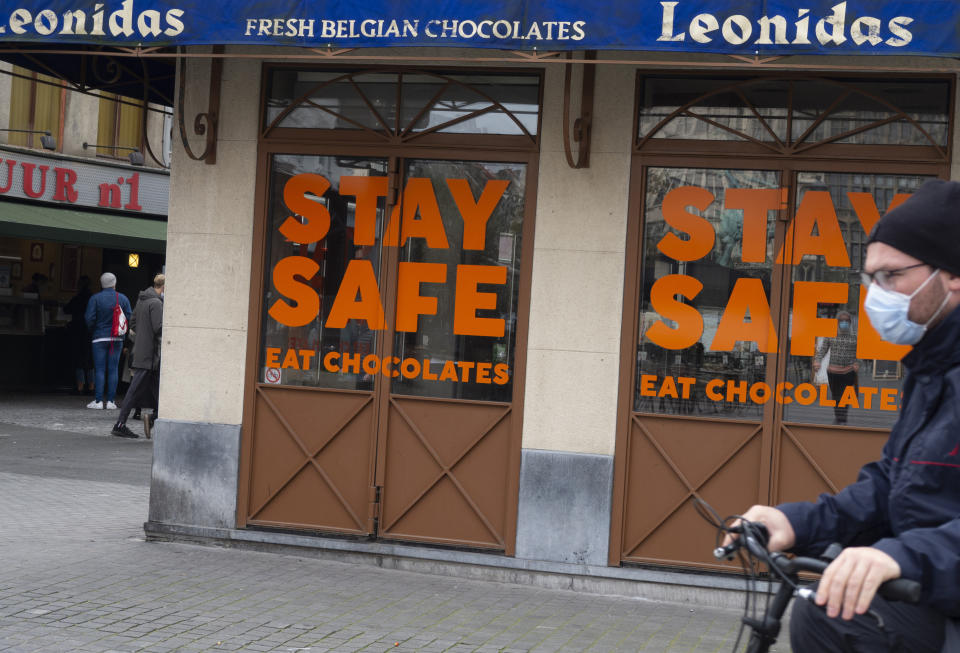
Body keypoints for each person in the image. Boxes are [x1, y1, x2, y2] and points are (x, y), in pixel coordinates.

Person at [725, 179, 960, 653]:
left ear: (952, 274)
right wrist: (798, 522)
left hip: (939, 599)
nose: (876, 294)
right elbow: (891, 483)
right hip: (932, 593)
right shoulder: (932, 366)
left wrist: (901, 556)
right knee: (826, 602)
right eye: (871, 277)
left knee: (837, 616)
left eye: (892, 275)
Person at [112, 274, 163, 439]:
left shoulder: (142, 300)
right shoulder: (156, 303)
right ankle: (120, 424)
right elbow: (159, 328)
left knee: (159, 392)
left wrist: (143, 336)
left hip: (141, 351)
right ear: (163, 287)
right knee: (134, 390)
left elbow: (132, 323)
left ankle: (154, 417)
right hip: (150, 354)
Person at [84, 272, 132, 410]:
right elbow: (129, 316)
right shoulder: (122, 298)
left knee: (99, 369)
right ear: (114, 283)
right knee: (113, 369)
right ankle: (111, 401)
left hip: (99, 337)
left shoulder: (95, 298)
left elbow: (89, 318)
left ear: (101, 283)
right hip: (117, 338)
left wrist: (94, 329)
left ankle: (98, 401)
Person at [812, 309, 860, 424]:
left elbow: (861, 352)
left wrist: (857, 362)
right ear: (838, 322)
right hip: (833, 371)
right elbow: (822, 350)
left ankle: (842, 418)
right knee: (836, 396)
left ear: (850, 322)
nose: (844, 323)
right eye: (842, 321)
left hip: (849, 371)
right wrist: (817, 361)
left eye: (846, 321)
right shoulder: (831, 333)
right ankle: (839, 417)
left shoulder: (855, 335)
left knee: (846, 396)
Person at [64, 275, 94, 395]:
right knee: (90, 360)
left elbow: (66, 309)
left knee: (78, 359)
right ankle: (91, 386)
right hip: (90, 332)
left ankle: (80, 387)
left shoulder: (77, 298)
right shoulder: (93, 298)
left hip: (78, 330)